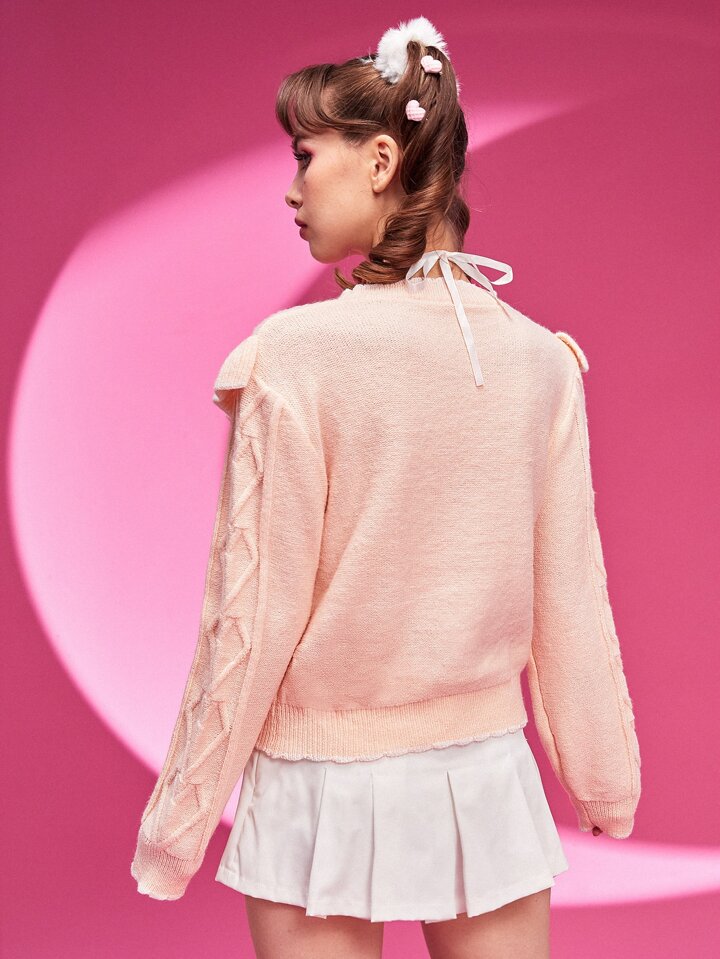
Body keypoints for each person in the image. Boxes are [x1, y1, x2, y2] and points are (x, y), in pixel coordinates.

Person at [131, 15, 641, 959]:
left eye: (305, 155)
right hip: (482, 779)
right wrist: (606, 782)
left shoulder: (295, 358)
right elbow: (572, 599)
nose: (291, 189)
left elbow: (249, 619)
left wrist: (176, 827)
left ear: (378, 161)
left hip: (317, 780)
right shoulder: (538, 361)